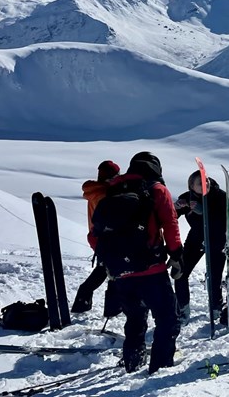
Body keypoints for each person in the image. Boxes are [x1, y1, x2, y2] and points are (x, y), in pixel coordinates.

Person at [94, 151, 183, 374]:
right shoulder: (156, 190)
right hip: (151, 269)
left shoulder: (114, 190)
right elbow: (171, 225)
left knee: (135, 319)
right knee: (168, 319)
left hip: (122, 273)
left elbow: (96, 233)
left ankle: (133, 363)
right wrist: (177, 256)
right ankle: (159, 370)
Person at [174, 171, 228, 323]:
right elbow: (172, 216)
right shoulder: (187, 197)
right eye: (200, 183)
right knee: (180, 273)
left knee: (214, 278)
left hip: (217, 240)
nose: (206, 184)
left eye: (207, 181)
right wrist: (177, 207)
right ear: (191, 186)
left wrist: (202, 212)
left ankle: (216, 308)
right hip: (196, 239)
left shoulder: (220, 196)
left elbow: (223, 221)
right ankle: (183, 309)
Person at [72, 160, 120, 315]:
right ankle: (112, 309)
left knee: (103, 269)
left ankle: (82, 301)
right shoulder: (106, 194)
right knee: (113, 270)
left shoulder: (95, 190)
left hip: (96, 237)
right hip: (107, 237)